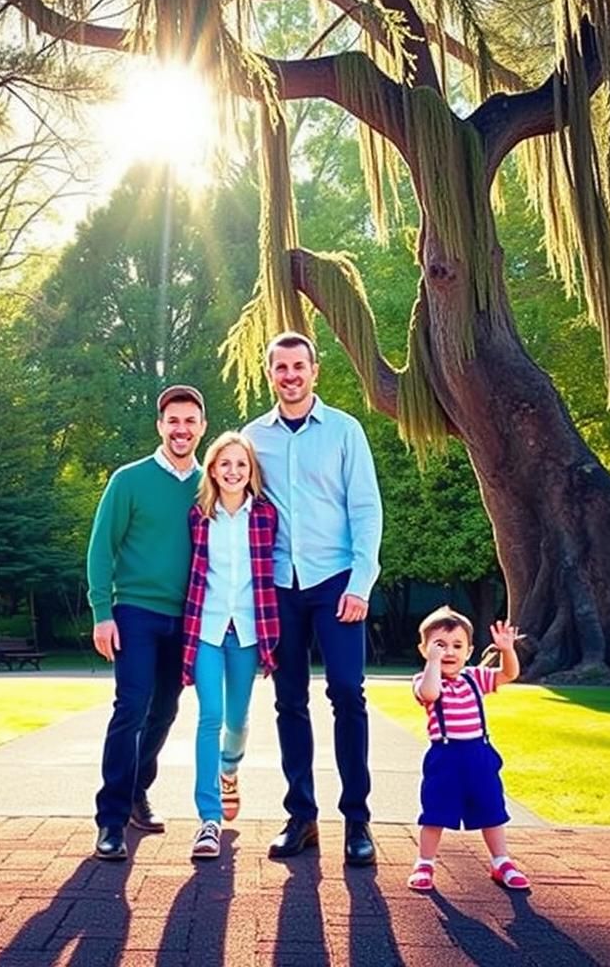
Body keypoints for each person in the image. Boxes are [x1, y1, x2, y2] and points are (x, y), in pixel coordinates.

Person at [243, 331, 383, 863]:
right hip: (280, 585)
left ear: (314, 371)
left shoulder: (345, 431)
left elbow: (365, 509)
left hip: (336, 582)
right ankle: (301, 817)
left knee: (347, 692)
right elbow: (238, 510)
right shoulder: (253, 438)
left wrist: (360, 583)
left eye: (298, 366)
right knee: (288, 700)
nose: (290, 376)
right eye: (281, 367)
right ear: (270, 374)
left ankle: (358, 820)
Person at [88, 384, 208, 861]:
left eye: (190, 421)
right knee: (131, 707)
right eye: (173, 421)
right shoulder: (129, 480)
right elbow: (101, 548)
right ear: (160, 426)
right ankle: (111, 820)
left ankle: (138, 790)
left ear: (202, 427)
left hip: (187, 618)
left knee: (165, 710)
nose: (181, 429)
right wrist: (102, 613)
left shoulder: (209, 485)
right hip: (135, 612)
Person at [179, 431, 280, 859]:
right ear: (213, 470)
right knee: (211, 716)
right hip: (206, 629)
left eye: (241, 464)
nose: (233, 471)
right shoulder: (199, 516)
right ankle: (208, 819)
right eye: (225, 464)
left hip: (249, 631)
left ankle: (229, 769)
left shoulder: (267, 516)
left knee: (237, 721)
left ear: (251, 470)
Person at [407, 606, 530, 892]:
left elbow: (509, 674)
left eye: (457, 646)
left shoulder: (475, 677)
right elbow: (430, 693)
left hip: (479, 755)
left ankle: (501, 861)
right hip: (445, 758)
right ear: (424, 649)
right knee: (435, 812)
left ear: (469, 651)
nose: (449, 652)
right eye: (440, 645)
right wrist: (433, 663)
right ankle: (425, 862)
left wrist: (507, 650)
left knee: (492, 809)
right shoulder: (424, 679)